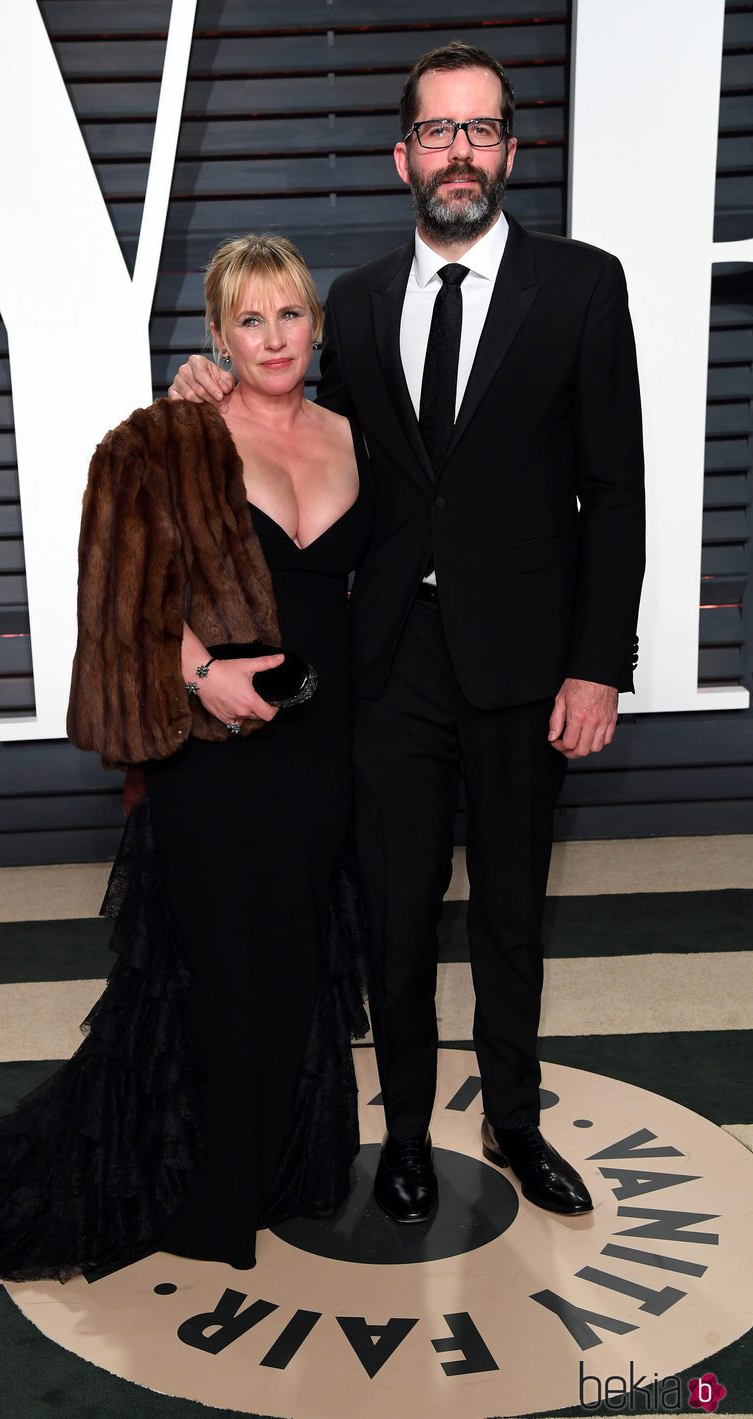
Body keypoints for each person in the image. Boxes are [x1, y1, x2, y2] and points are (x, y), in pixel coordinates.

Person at [0, 234, 372, 1322]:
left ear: (314, 325)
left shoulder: (351, 436)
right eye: (249, 319)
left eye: (289, 314)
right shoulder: (165, 441)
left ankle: (281, 1168)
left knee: (295, 965)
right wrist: (204, 681)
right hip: (211, 756)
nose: (272, 338)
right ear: (215, 335)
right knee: (208, 971)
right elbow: (116, 608)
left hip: (321, 759)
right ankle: (201, 1192)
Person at [170, 41, 646, 1225]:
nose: (457, 152)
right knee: (394, 914)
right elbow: (290, 421)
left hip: (527, 666)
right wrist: (201, 391)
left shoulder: (583, 288)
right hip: (386, 669)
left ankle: (515, 1121)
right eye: (436, 131)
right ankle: (403, 1136)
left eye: (478, 130)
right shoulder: (363, 301)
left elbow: (617, 493)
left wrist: (597, 665)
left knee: (511, 916)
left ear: (508, 152)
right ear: (402, 156)